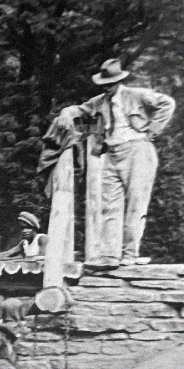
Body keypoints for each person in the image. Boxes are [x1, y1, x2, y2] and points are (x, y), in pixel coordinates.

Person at [55, 58, 175, 268]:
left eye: (110, 84)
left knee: (136, 204)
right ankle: (110, 255)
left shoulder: (136, 95)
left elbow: (167, 103)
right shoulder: (100, 101)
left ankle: (130, 254)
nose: (107, 88)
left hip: (137, 151)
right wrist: (65, 113)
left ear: (119, 81)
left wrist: (152, 131)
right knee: (110, 205)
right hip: (111, 153)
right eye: (104, 85)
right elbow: (80, 109)